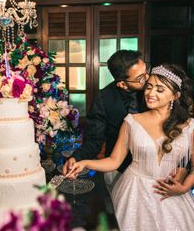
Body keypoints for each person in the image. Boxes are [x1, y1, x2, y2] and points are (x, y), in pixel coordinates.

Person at [66, 64, 194, 230]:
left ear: (175, 96)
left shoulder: (190, 126)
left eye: (160, 90)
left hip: (171, 195)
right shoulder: (131, 121)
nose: (151, 93)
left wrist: (184, 187)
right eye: (149, 87)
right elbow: (114, 161)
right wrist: (84, 163)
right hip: (134, 192)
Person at [62, 50, 149, 191]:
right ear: (122, 84)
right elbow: (94, 140)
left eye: (146, 71)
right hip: (118, 170)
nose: (148, 78)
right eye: (140, 78)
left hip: (151, 171)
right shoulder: (103, 99)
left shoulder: (154, 92)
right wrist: (76, 158)